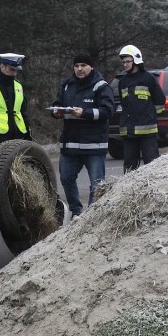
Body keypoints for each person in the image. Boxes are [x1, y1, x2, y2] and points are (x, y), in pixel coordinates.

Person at [51, 53, 114, 217]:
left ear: (91, 67)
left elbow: (107, 111)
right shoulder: (67, 85)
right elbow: (58, 103)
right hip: (70, 144)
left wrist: (84, 113)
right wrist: (56, 111)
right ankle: (76, 212)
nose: (79, 69)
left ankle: (92, 216)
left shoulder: (101, 86)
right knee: (65, 178)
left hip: (94, 145)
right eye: (76, 65)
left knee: (97, 185)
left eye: (83, 65)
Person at [116, 45, 165, 172]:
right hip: (128, 132)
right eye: (123, 62)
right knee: (129, 168)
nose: (125, 65)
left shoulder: (148, 78)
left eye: (128, 61)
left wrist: (150, 116)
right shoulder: (122, 82)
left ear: (136, 60)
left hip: (147, 132)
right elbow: (124, 104)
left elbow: (160, 101)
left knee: (152, 165)